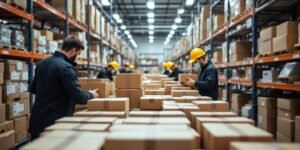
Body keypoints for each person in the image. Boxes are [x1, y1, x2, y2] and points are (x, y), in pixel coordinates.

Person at [29, 36, 99, 140]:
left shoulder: (41, 64)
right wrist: (91, 95)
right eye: (78, 54)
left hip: (37, 121)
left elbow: (33, 89)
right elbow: (78, 97)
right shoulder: (66, 67)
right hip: (56, 123)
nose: (78, 57)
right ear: (73, 50)